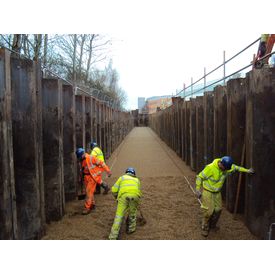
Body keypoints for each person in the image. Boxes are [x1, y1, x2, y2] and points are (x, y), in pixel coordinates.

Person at [195, 156, 254, 237]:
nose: (226, 171)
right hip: (207, 191)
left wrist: (247, 170)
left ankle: (212, 225)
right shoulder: (210, 168)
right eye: (225, 169)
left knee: (218, 210)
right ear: (221, 164)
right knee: (209, 211)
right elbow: (199, 177)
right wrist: (197, 189)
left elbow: (236, 168)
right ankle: (205, 227)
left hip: (217, 192)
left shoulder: (227, 167)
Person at [75, 148, 112, 215]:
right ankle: (92, 204)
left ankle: (87, 208)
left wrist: (108, 171)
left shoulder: (91, 158)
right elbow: (82, 169)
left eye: (80, 157)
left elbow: (102, 163)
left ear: (82, 154)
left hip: (92, 177)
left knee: (88, 192)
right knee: (90, 192)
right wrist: (81, 177)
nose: (79, 158)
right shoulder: (82, 160)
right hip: (86, 177)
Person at [109, 167, 142, 240]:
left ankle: (113, 236)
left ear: (126, 172)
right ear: (134, 174)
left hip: (123, 197)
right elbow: (139, 192)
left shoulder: (122, 178)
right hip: (135, 196)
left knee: (119, 216)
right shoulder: (137, 180)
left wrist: (117, 197)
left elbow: (113, 190)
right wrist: (137, 202)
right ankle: (131, 229)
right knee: (132, 213)